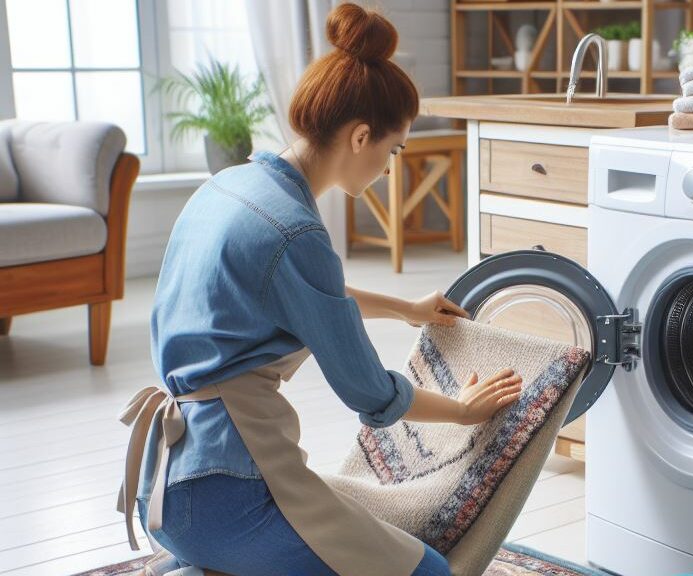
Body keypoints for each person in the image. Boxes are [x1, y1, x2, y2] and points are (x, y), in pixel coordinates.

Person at [117, 4, 523, 575]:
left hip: (162, 485)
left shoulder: (229, 186)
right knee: (430, 571)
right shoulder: (298, 231)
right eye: (394, 150)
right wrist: (461, 412)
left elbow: (294, 289)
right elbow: (370, 395)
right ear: (361, 136)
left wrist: (405, 308)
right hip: (224, 496)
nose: (389, 167)